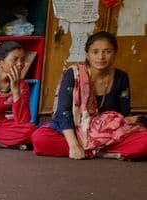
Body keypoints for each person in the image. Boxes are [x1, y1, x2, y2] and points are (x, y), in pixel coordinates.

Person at [31, 31, 147, 160]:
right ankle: (101, 152)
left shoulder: (121, 77)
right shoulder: (73, 74)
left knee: (144, 141)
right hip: (75, 129)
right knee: (40, 138)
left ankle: (93, 151)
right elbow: (63, 111)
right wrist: (73, 144)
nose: (101, 57)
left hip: (108, 134)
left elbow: (124, 114)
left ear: (115, 53)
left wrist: (128, 123)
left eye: (108, 51)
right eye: (95, 52)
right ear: (87, 54)